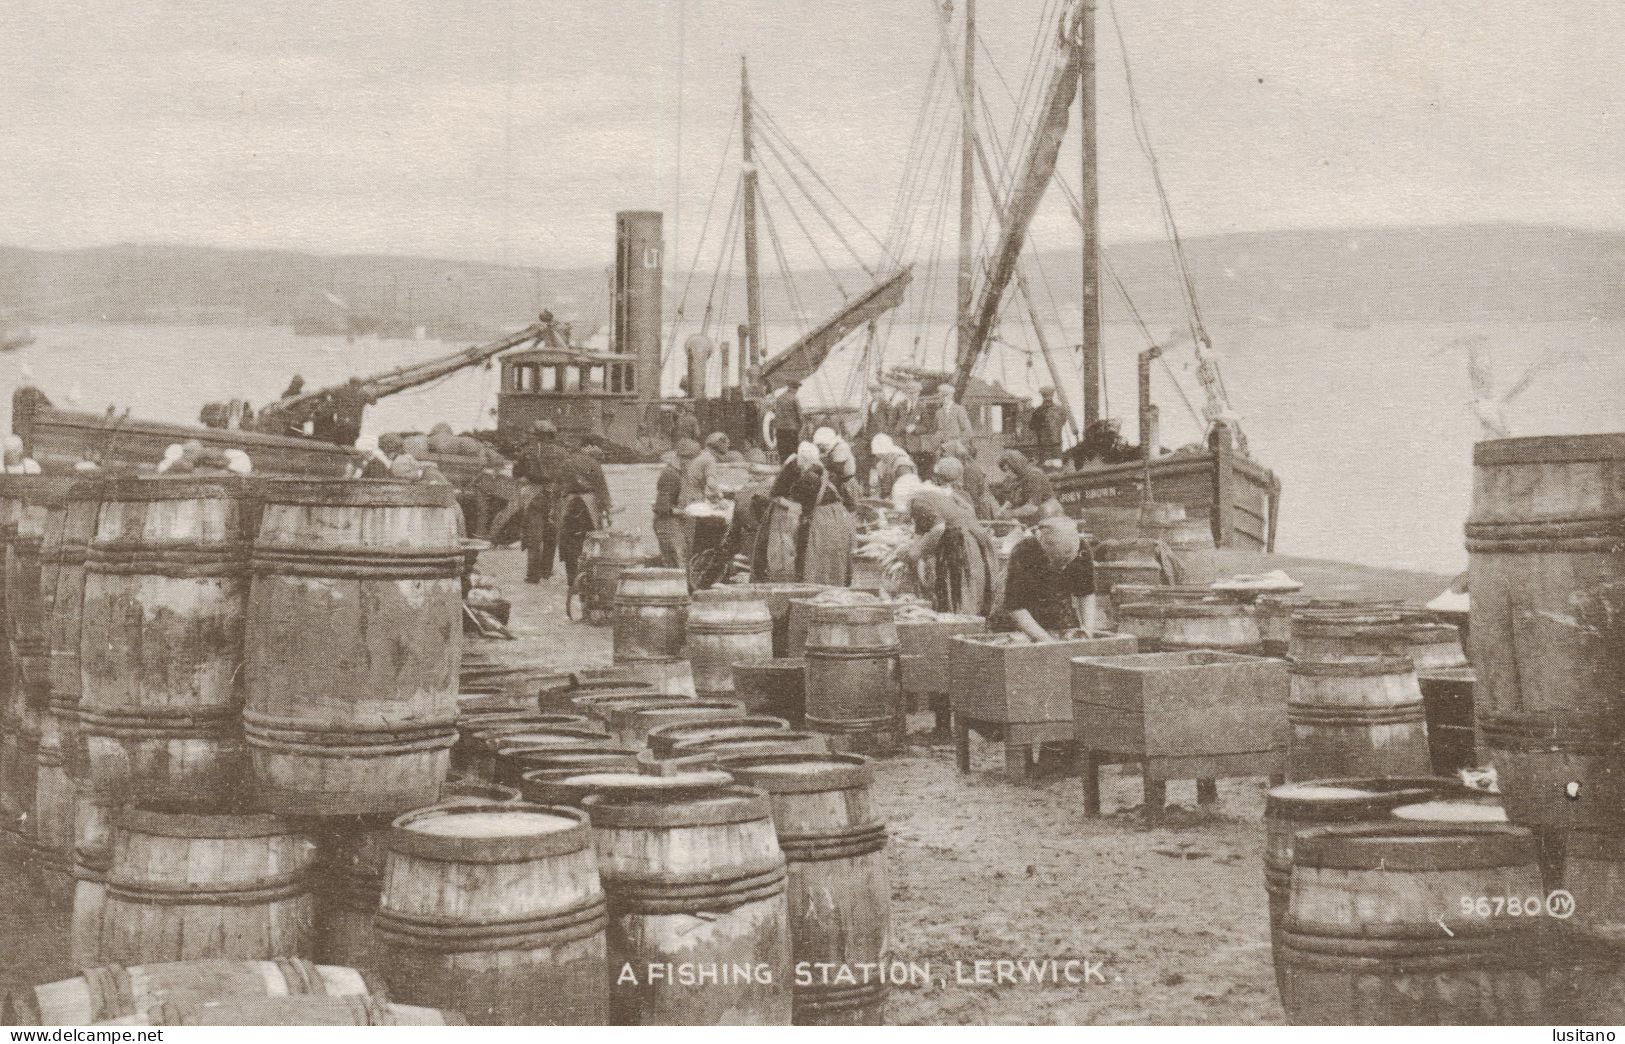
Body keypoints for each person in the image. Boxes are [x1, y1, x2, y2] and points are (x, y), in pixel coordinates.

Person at [895, 459, 999, 619]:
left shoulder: (918, 502)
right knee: (972, 592)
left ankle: (960, 623)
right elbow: (921, 533)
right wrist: (914, 550)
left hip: (959, 545)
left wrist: (915, 553)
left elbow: (938, 528)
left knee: (959, 594)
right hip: (972, 541)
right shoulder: (945, 495)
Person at [991, 514, 1097, 640]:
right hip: (1017, 619)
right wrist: (1047, 642)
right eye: (1057, 563)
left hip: (1057, 615)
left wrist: (1087, 631)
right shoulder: (1024, 551)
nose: (1063, 569)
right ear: (1042, 544)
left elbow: (1085, 593)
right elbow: (1015, 607)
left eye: (1066, 564)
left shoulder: (1082, 550)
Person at [791, 438, 855, 587]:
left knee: (819, 562)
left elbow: (803, 509)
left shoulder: (806, 478)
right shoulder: (831, 475)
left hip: (823, 522)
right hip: (841, 521)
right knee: (837, 561)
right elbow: (851, 504)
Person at [513, 420, 569, 583]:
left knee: (534, 537)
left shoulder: (528, 451)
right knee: (551, 535)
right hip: (555, 496)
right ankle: (546, 570)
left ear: (538, 435)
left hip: (534, 495)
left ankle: (532, 575)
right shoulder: (563, 452)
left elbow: (517, 472)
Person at [557, 439, 613, 591]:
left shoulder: (565, 463)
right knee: (590, 541)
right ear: (585, 448)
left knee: (569, 543)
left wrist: (554, 510)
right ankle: (587, 579)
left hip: (569, 503)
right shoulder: (594, 464)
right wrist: (607, 510)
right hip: (589, 505)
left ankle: (571, 580)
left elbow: (557, 487)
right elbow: (602, 488)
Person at [753, 448, 807, 583]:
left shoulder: (802, 470)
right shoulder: (791, 472)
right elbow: (776, 495)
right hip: (783, 517)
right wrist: (792, 505)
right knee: (782, 555)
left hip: (791, 515)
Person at [653, 440, 699, 568]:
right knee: (678, 565)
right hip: (667, 525)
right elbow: (662, 507)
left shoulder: (681, 473)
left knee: (684, 562)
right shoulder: (670, 475)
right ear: (683, 459)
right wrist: (685, 511)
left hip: (678, 524)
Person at [940, 439, 995, 519]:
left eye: (946, 456)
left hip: (977, 511)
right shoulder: (964, 466)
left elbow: (972, 496)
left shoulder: (969, 470)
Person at [997, 449, 1056, 523]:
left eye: (1008, 470)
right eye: (1004, 471)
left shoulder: (1034, 475)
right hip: (1034, 521)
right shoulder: (1016, 479)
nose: (1007, 474)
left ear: (1016, 466)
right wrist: (1002, 510)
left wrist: (1011, 513)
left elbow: (1032, 508)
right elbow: (1011, 500)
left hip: (1048, 520)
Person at [930, 382, 974, 471]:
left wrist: (957, 444)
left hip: (955, 450)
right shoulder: (938, 413)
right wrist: (936, 443)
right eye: (942, 396)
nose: (944, 398)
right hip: (941, 450)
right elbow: (935, 430)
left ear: (951, 396)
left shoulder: (959, 410)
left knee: (955, 473)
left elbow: (968, 432)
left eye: (946, 395)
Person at [869, 433, 918, 500]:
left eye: (881, 453)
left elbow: (906, 487)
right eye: (877, 454)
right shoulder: (881, 464)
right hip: (890, 499)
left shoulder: (901, 463)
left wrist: (890, 499)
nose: (879, 456)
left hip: (904, 498)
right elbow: (882, 489)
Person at [1029, 387, 1065, 464]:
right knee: (1054, 464)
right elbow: (1063, 422)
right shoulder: (1060, 409)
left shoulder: (1038, 411)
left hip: (1048, 444)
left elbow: (1032, 427)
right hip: (1053, 444)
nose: (1048, 399)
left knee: (1050, 464)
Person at [772, 382, 803, 463]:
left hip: (780, 430)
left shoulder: (779, 398)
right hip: (791, 430)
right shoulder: (794, 398)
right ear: (794, 388)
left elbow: (776, 413)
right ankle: (792, 472)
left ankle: (783, 470)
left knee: (783, 453)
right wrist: (800, 428)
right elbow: (800, 416)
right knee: (792, 454)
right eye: (797, 389)